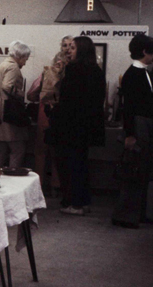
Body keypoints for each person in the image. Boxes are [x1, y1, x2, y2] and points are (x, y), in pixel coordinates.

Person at [48, 36, 105, 216]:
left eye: (72, 48)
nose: (68, 51)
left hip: (70, 127)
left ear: (80, 50)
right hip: (86, 127)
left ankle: (74, 202)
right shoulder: (96, 70)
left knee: (68, 166)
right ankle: (83, 201)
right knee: (81, 164)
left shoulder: (74, 70)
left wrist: (54, 107)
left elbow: (67, 100)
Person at [111, 34, 153, 228]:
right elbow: (128, 108)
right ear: (145, 51)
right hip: (138, 126)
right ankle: (125, 215)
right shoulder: (134, 74)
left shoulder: (142, 72)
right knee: (134, 171)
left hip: (142, 125)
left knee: (141, 170)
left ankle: (136, 213)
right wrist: (130, 134)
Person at [31, 35, 73, 192]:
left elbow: (32, 93)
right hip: (60, 112)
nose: (67, 48)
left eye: (70, 45)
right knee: (57, 151)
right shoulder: (72, 73)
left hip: (48, 111)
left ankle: (40, 186)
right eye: (65, 45)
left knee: (42, 151)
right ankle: (55, 186)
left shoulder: (47, 73)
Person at [0, 40, 31, 168]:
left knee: (0, 151)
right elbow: (7, 86)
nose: (25, 62)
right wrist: (21, 94)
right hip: (8, 114)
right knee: (17, 150)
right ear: (20, 56)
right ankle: (13, 179)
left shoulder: (2, 65)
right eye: (25, 58)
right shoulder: (13, 67)